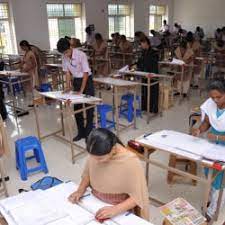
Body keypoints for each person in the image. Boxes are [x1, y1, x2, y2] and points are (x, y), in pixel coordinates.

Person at [68, 128, 149, 220]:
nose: (96, 161)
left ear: (113, 149)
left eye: (100, 159)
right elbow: (87, 175)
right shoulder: (96, 153)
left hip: (119, 209)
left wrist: (115, 210)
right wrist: (80, 190)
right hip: (94, 202)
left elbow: (138, 197)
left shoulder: (131, 161)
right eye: (92, 157)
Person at [192, 80, 225, 222]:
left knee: (220, 180)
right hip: (212, 144)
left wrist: (217, 136)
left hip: (222, 145)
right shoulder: (211, 104)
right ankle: (211, 200)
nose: (216, 100)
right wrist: (199, 129)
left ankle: (212, 212)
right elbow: (207, 122)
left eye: (219, 97)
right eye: (213, 98)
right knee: (210, 175)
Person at [57, 38, 94, 142]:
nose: (66, 55)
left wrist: (81, 90)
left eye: (67, 52)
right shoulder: (64, 56)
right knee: (77, 109)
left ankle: (89, 134)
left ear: (70, 47)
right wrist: (68, 86)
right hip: (76, 81)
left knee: (89, 108)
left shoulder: (81, 55)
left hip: (87, 82)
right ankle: (81, 132)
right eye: (63, 53)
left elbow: (86, 73)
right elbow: (67, 72)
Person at [137, 36, 159, 113]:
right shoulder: (143, 52)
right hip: (144, 75)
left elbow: (153, 64)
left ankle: (152, 109)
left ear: (146, 43)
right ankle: (145, 107)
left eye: (142, 43)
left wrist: (150, 73)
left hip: (151, 76)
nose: (141, 45)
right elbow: (140, 62)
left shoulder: (153, 52)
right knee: (144, 91)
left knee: (152, 92)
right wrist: (135, 66)